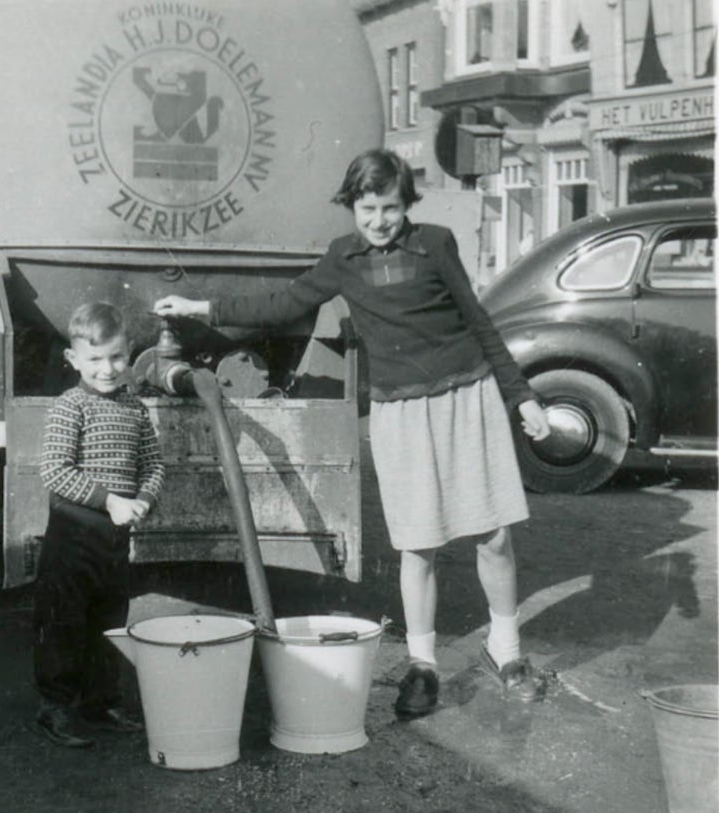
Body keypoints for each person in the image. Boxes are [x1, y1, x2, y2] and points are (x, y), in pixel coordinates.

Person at [154, 148, 551, 719]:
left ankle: (506, 652)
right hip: (401, 412)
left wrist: (522, 397)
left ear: (406, 204)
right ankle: (422, 666)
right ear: (353, 206)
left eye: (389, 207)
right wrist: (201, 306)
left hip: (469, 398)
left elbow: (479, 322)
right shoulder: (343, 258)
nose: (379, 220)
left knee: (492, 536)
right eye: (368, 208)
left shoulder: (436, 244)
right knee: (419, 545)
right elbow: (280, 303)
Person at [32, 302, 165, 747]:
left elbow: (153, 463)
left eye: (116, 358)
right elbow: (55, 471)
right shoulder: (70, 407)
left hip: (114, 537)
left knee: (110, 620)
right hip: (73, 535)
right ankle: (57, 708)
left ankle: (101, 702)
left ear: (130, 354)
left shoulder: (135, 409)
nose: (107, 369)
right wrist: (110, 501)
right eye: (95, 359)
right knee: (64, 621)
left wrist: (143, 498)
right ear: (73, 360)